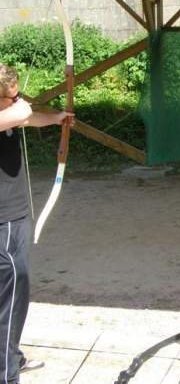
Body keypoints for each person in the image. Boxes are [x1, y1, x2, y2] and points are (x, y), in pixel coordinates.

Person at [0, 64, 73, 384]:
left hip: (14, 215)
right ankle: (5, 373)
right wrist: (22, 106)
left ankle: (10, 355)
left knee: (15, 290)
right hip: (2, 220)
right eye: (9, 97)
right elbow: (20, 113)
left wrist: (57, 118)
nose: (14, 101)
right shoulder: (7, 113)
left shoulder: (11, 112)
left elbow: (26, 117)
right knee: (11, 292)